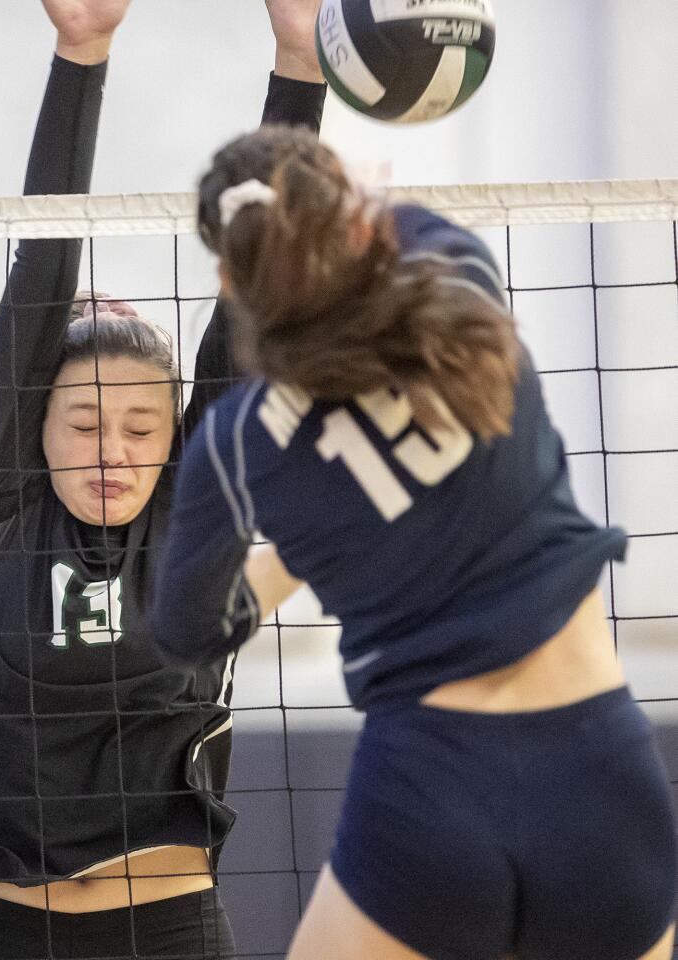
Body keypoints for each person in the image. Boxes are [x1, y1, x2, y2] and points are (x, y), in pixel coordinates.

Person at [149, 128, 678, 958]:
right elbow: (392, 230)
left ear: (228, 280)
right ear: (352, 220)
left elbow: (186, 632)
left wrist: (299, 555)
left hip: (432, 787)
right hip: (599, 771)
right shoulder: (459, 289)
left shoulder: (235, 443)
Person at [0, 0, 327, 957]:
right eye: (83, 422)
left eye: (143, 424)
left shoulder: (200, 508)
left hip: (166, 932)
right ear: (34, 429)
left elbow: (259, 266)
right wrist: (82, 49)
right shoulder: (0, 510)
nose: (113, 448)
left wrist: (301, 63)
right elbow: (44, 262)